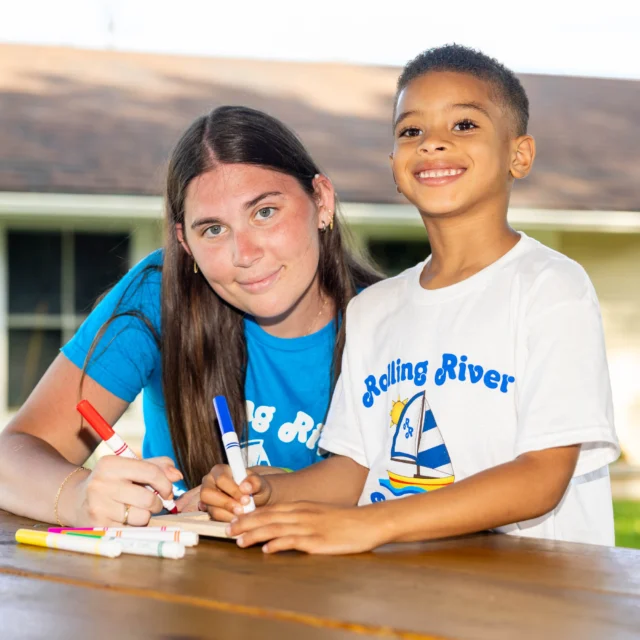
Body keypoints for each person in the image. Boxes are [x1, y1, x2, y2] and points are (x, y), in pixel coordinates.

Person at [202, 45, 620, 554]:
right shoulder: (373, 309)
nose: (433, 144)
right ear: (394, 164)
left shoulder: (550, 287)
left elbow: (541, 476)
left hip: (533, 604)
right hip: (404, 594)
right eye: (410, 131)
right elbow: (353, 470)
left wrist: (373, 525)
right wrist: (269, 490)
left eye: (464, 125)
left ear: (520, 154)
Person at [0, 106, 381, 528]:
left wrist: (293, 490)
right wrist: (77, 496)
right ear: (186, 244)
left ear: (321, 201)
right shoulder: (158, 292)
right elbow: (12, 454)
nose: (246, 254)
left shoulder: (388, 322)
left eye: (265, 212)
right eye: (213, 230)